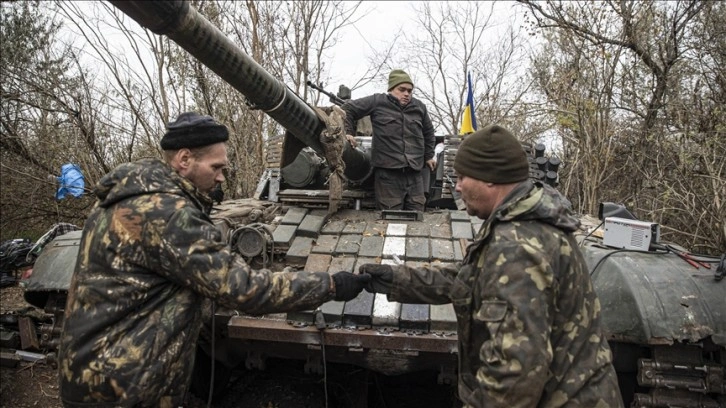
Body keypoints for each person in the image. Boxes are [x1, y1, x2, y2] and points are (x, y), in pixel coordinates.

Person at [57, 112, 371, 407]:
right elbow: (244, 289)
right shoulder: (168, 215)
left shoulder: (121, 200)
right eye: (216, 167)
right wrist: (330, 284)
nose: (221, 178)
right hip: (123, 385)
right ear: (184, 159)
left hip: (93, 371)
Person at [361, 125, 623, 407]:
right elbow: (469, 280)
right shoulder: (522, 221)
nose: (457, 186)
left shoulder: (518, 245)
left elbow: (514, 377)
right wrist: (395, 279)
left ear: (490, 179)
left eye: (462, 177)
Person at [342, 69, 435, 211]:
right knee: (390, 218)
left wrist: (429, 156)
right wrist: (347, 133)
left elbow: (428, 132)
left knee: (417, 215)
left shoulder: (419, 107)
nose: (406, 94)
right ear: (391, 89)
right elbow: (348, 109)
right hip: (388, 174)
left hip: (414, 174)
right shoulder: (378, 102)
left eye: (409, 91)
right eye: (402, 89)